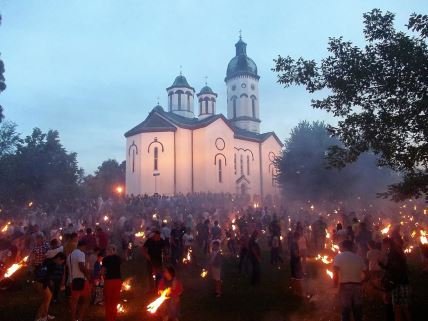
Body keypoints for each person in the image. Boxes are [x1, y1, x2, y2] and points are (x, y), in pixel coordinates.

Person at [333, 240, 367, 321]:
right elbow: (367, 274)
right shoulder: (358, 258)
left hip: (344, 287)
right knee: (358, 311)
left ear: (343, 247)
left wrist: (335, 286)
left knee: (345, 311)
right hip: (357, 286)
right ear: (351, 247)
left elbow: (335, 272)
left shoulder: (338, 257)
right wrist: (361, 282)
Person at [381, 238, 412, 321]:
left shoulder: (392, 254)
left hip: (397, 284)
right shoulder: (398, 252)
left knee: (397, 309)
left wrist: (383, 267)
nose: (383, 246)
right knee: (404, 308)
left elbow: (393, 269)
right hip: (404, 282)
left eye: (383, 244)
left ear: (387, 243)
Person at [34, 252, 66, 321]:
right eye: (61, 262)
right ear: (58, 258)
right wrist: (45, 286)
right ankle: (38, 317)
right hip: (41, 282)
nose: (60, 264)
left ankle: (45, 315)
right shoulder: (52, 264)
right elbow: (46, 275)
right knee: (46, 298)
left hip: (39, 281)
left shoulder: (48, 260)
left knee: (48, 297)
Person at [68, 240, 91, 321]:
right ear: (83, 246)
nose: (85, 249)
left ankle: (73, 318)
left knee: (74, 301)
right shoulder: (81, 253)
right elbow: (81, 266)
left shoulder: (70, 255)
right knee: (86, 300)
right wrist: (88, 274)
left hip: (72, 280)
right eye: (85, 248)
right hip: (82, 280)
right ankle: (80, 318)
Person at [101, 245, 122, 321]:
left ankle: (109, 318)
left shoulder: (105, 259)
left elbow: (103, 271)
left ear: (108, 250)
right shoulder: (118, 259)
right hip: (118, 281)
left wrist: (103, 278)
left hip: (109, 281)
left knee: (108, 300)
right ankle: (113, 317)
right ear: (115, 250)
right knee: (115, 299)